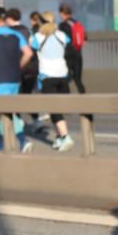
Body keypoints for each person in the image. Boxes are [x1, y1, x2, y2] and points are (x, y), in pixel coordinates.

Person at [0, 7, 35, 153]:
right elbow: (28, 53)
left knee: (2, 111)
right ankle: (17, 141)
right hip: (15, 77)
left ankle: (15, 141)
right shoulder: (16, 34)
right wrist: (19, 65)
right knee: (13, 110)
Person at [31, 12, 75, 152]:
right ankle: (59, 138)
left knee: (53, 109)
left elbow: (30, 52)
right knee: (58, 109)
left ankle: (65, 136)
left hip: (47, 76)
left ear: (40, 23)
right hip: (63, 75)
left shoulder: (37, 37)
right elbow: (70, 47)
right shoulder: (62, 35)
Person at [7, 8, 43, 133]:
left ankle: (18, 120)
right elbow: (34, 47)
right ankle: (36, 120)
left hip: (16, 67)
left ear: (8, 18)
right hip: (32, 67)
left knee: (15, 96)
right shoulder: (28, 30)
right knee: (27, 96)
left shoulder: (8, 32)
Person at [58, 4, 87, 93]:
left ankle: (66, 101)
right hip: (78, 55)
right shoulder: (77, 23)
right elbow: (85, 40)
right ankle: (84, 101)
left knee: (64, 79)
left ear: (63, 13)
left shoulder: (63, 25)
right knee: (78, 80)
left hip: (67, 56)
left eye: (60, 14)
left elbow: (60, 40)